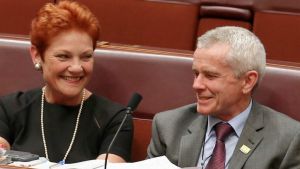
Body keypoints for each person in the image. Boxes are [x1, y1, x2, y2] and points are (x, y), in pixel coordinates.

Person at [147, 26, 300, 168]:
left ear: (248, 81)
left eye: (210, 76)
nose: (196, 85)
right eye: (196, 74)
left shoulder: (288, 139)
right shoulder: (168, 126)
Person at [0, 0, 133, 164]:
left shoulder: (116, 119)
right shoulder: (9, 109)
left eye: (86, 56)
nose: (77, 68)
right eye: (63, 56)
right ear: (37, 55)